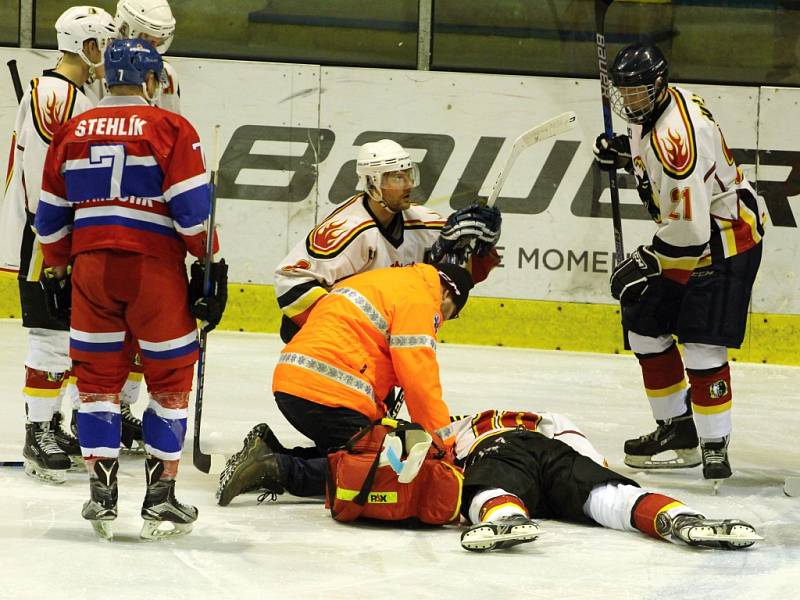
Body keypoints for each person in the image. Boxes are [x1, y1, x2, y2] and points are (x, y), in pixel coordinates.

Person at [33, 38, 226, 540]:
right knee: (169, 379)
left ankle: (101, 497)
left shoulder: (72, 129)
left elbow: (50, 219)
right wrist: (208, 264)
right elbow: (193, 212)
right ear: (152, 79)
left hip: (91, 272)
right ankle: (160, 500)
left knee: (96, 381)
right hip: (153, 273)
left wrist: (57, 269)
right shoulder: (171, 127)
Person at [592, 43, 767, 481]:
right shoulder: (656, 108)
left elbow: (689, 230)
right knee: (644, 325)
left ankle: (713, 445)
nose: (629, 101)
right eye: (624, 92)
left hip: (726, 240)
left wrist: (648, 262)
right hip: (692, 236)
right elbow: (658, 170)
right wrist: (624, 152)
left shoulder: (677, 142)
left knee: (702, 342)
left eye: (637, 92)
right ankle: (677, 430)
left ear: (657, 85)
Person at [216, 262, 473, 505]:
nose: (441, 321)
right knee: (379, 469)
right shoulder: (420, 300)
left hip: (296, 382)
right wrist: (443, 445)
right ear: (448, 293)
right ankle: (274, 468)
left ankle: (268, 451)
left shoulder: (386, 280)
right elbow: (420, 379)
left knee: (356, 450)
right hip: (328, 392)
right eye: (450, 314)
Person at [0, 5, 117, 483]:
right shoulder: (54, 94)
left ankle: (49, 421)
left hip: (63, 234)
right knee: (50, 336)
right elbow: (44, 177)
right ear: (87, 47)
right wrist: (55, 243)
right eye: (104, 46)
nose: (109, 56)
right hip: (48, 236)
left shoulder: (74, 94)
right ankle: (37, 430)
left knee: (69, 335)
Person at [274, 138, 502, 344]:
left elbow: (460, 277)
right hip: (331, 343)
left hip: (382, 342)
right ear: (372, 184)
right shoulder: (349, 229)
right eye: (397, 178)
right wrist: (345, 329)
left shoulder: (424, 224)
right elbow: (291, 284)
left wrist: (479, 244)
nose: (408, 184)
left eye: (409, 175)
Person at [442, 409, 762, 552]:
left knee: (482, 489)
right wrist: (593, 473)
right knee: (607, 496)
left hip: (501, 448)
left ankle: (505, 516)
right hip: (554, 453)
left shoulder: (461, 425)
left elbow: (439, 469)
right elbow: (575, 442)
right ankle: (678, 517)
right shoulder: (545, 417)